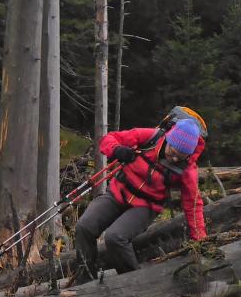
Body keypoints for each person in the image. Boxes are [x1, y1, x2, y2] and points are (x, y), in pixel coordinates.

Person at [76, 111, 207, 278]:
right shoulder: (150, 138)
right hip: (117, 193)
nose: (174, 159)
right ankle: (85, 278)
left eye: (180, 157)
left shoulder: (188, 170)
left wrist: (200, 241)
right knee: (84, 226)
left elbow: (193, 205)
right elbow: (108, 139)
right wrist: (117, 150)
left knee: (115, 238)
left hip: (146, 206)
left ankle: (134, 282)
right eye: (172, 152)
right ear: (168, 139)